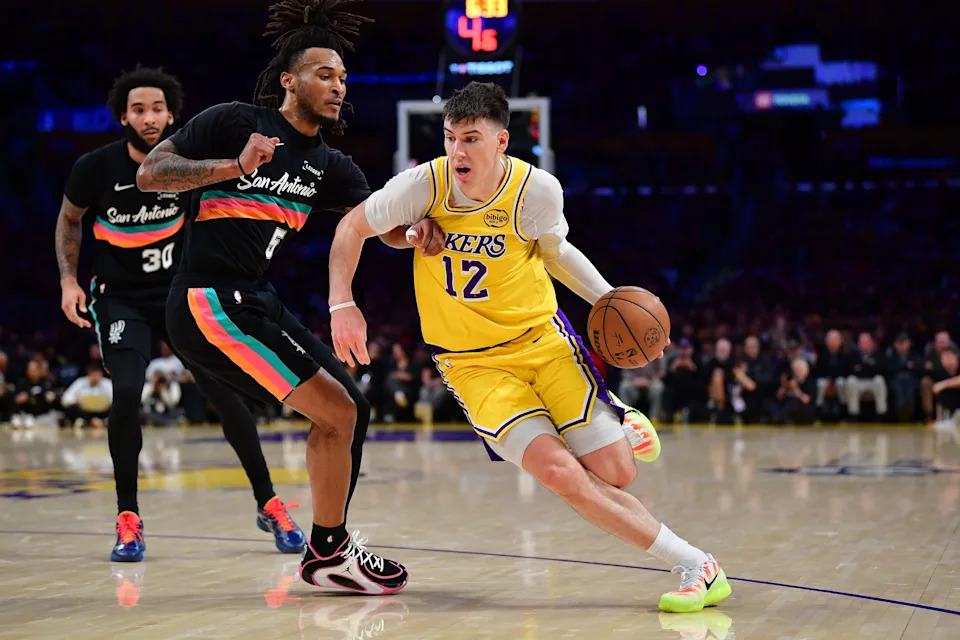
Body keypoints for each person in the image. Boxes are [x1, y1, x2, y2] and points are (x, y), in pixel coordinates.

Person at [327, 81, 730, 613]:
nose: (457, 151)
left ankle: (620, 420)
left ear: (502, 142)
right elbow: (355, 227)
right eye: (450, 138)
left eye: (471, 138)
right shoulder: (424, 185)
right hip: (473, 366)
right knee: (562, 474)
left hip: (543, 342)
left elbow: (557, 255)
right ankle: (696, 565)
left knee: (617, 473)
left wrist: (610, 299)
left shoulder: (537, 190)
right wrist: (343, 303)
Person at [138, 0, 408, 594]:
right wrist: (231, 167)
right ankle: (330, 552)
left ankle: (330, 546)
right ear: (289, 79)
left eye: (342, 77)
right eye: (324, 74)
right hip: (208, 299)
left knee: (352, 409)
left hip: (255, 297)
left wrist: (418, 231)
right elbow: (151, 174)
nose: (338, 86)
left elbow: (378, 225)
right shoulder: (236, 121)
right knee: (335, 412)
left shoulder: (329, 164)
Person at [55, 66, 304, 562]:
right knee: (126, 392)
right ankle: (129, 517)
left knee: (226, 395)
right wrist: (67, 280)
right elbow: (69, 219)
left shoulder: (188, 163)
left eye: (157, 108)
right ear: (123, 116)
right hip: (122, 297)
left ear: (171, 114)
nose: (149, 117)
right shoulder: (94, 168)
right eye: (138, 109)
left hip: (182, 291)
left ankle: (269, 502)